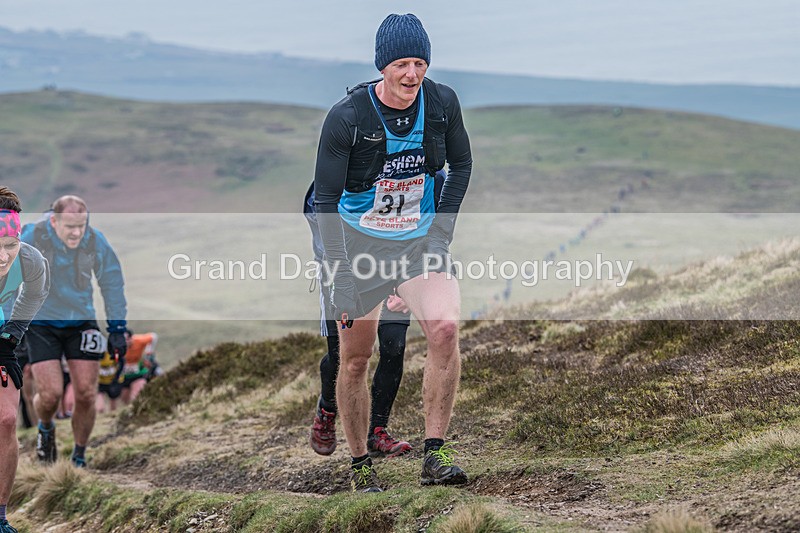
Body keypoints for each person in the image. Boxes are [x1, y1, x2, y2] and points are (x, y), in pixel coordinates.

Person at [313, 14, 472, 492]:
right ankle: (361, 465)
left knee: (445, 329)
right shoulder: (348, 118)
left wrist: (439, 239)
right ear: (383, 66)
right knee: (356, 358)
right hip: (358, 246)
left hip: (418, 242)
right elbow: (324, 201)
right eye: (401, 63)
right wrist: (341, 277)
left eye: (420, 62)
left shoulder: (442, 104)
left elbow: (461, 167)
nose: (412, 74)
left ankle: (434, 455)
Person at [305, 183, 413, 459]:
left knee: (393, 346)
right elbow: (320, 220)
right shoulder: (338, 174)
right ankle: (328, 407)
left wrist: (403, 282)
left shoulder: (414, 165)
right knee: (343, 356)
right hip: (344, 274)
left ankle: (377, 431)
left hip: (395, 270)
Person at [20, 195, 128, 468]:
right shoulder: (32, 236)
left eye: (82, 225)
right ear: (54, 221)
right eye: (70, 226)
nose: (77, 232)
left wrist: (117, 328)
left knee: (87, 393)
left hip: (80, 322)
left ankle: (79, 456)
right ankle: (45, 427)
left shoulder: (94, 240)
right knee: (50, 395)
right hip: (41, 323)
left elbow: (112, 281)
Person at [0, 187, 50, 533]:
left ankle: (0, 516)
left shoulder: (31, 261)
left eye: (10, 245)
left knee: (5, 420)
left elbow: (34, 295)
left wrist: (10, 337)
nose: (4, 256)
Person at [119, 332, 156, 405]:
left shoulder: (138, 340)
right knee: (124, 400)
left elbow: (153, 336)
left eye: (127, 339)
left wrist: (148, 353)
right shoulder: (117, 346)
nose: (125, 342)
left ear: (131, 338)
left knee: (135, 397)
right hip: (124, 376)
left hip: (139, 374)